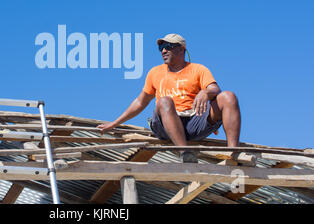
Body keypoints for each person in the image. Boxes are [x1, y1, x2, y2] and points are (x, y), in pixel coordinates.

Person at [97, 33, 241, 163]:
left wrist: (205, 93)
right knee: (165, 101)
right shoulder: (155, 72)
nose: (164, 51)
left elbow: (215, 89)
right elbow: (140, 101)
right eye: (161, 48)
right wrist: (114, 123)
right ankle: (184, 153)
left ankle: (232, 152)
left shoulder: (198, 69)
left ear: (181, 49)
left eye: (168, 46)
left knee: (228, 97)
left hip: (193, 123)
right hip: (166, 124)